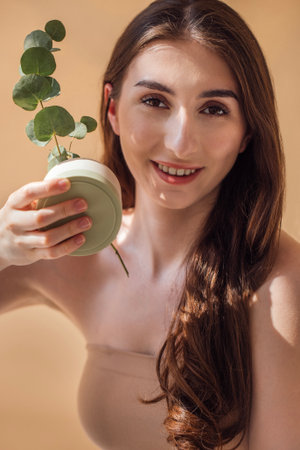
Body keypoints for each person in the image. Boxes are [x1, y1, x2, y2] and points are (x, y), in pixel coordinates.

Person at [0, 0, 299, 448]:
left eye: (214, 108)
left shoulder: (279, 279)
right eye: (155, 101)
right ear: (113, 109)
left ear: (247, 133)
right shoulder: (71, 249)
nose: (180, 143)